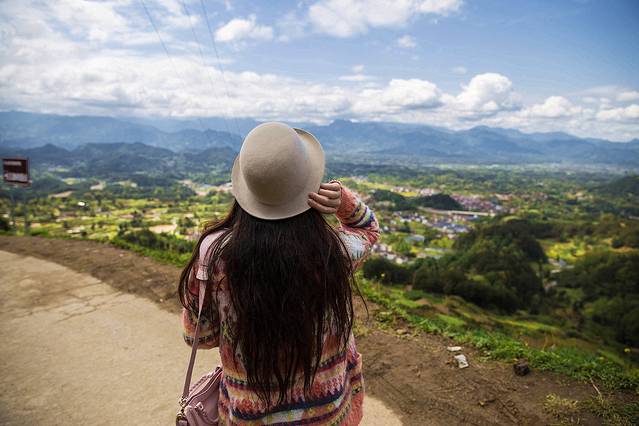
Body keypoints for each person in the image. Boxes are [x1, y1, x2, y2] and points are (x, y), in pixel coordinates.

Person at [178, 122, 380, 425]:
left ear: (247, 189)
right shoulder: (332, 254)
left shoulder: (215, 261)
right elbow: (368, 229)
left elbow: (198, 335)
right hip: (329, 416)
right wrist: (343, 202)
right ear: (309, 187)